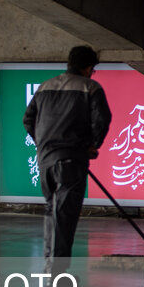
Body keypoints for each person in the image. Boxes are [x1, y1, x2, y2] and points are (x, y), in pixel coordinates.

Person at [23, 46, 111, 273]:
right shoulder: (89, 87)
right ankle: (57, 273)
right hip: (71, 161)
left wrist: (43, 143)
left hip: (45, 162)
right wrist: (93, 146)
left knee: (51, 211)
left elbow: (28, 119)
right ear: (89, 68)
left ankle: (49, 266)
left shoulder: (45, 87)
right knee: (65, 217)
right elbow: (102, 121)